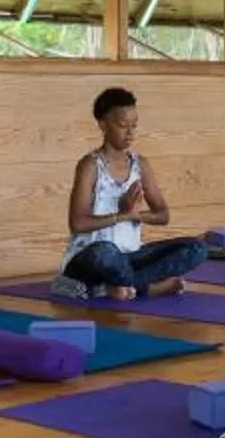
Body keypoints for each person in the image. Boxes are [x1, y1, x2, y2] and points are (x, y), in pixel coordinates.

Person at [52, 86, 208, 299]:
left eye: (134, 126)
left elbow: (163, 215)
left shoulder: (140, 165)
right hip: (91, 257)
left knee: (196, 248)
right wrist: (122, 215)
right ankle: (147, 287)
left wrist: (137, 215)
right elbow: (78, 224)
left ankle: (117, 287)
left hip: (130, 256)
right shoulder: (89, 166)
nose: (130, 133)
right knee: (104, 253)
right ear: (103, 125)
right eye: (122, 125)